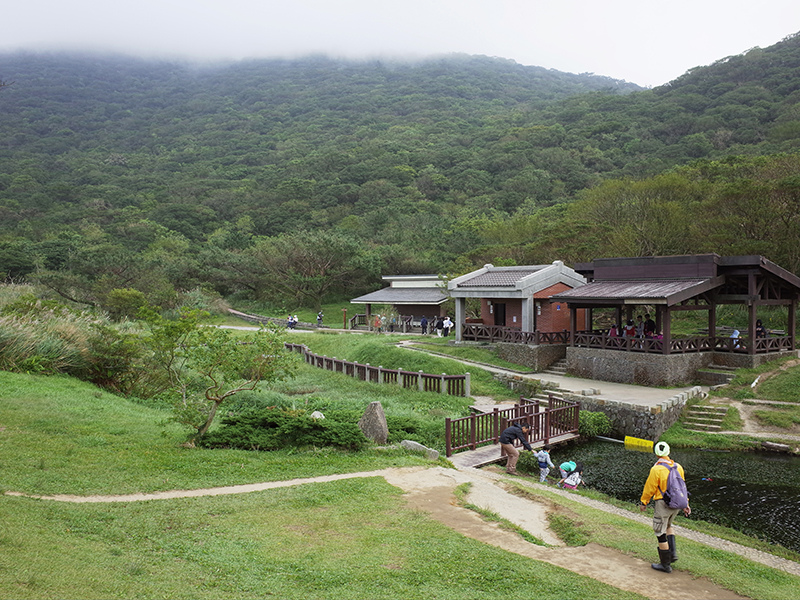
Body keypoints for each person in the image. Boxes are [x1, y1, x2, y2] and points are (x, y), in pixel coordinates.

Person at [639, 441, 691, 573]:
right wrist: (686, 504)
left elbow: (649, 488)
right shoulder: (678, 467)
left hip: (664, 504)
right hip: (677, 504)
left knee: (659, 531)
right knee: (668, 526)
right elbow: (682, 487)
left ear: (656, 454)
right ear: (668, 452)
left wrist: (644, 502)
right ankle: (672, 554)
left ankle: (665, 564)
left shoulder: (656, 469)